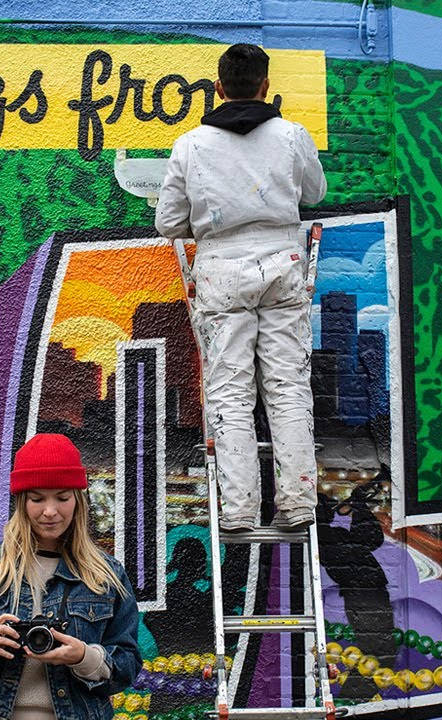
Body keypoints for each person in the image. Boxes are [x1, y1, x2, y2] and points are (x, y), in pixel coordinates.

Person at [154, 43, 327, 532]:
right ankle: (296, 504)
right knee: (288, 388)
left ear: (217, 87)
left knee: (230, 392)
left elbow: (169, 223)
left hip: (221, 270)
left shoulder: (191, 144)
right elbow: (315, 193)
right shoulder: (292, 136)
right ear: (266, 85)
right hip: (282, 264)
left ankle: (239, 509)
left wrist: (209, 222)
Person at [0, 433, 141, 720]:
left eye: (62, 498)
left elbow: (129, 663)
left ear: (78, 500)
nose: (50, 511)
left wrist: (84, 657)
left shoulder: (106, 574)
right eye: (37, 499)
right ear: (22, 502)